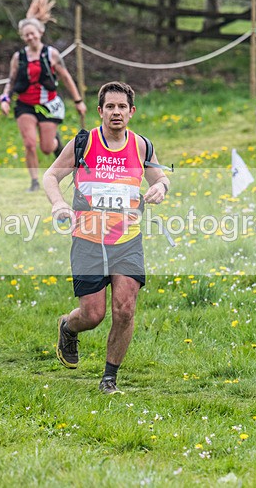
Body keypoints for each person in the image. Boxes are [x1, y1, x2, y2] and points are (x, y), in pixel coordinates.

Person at [42, 81, 170, 394]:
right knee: (93, 314)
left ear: (131, 112)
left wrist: (161, 188)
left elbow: (161, 177)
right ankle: (68, 327)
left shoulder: (141, 146)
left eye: (122, 107)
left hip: (127, 240)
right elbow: (50, 176)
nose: (116, 112)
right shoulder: (83, 143)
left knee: (125, 309)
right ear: (100, 111)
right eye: (110, 107)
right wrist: (58, 203)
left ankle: (109, 379)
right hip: (88, 240)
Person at [0, 0, 87, 192]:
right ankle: (34, 181)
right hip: (25, 105)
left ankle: (58, 150)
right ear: (23, 37)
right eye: (26, 35)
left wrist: (78, 100)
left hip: (48, 105)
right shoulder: (18, 57)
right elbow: (11, 81)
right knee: (30, 143)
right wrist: (5, 98)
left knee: (46, 147)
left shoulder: (52, 54)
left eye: (33, 33)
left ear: (40, 32)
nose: (30, 37)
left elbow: (66, 78)